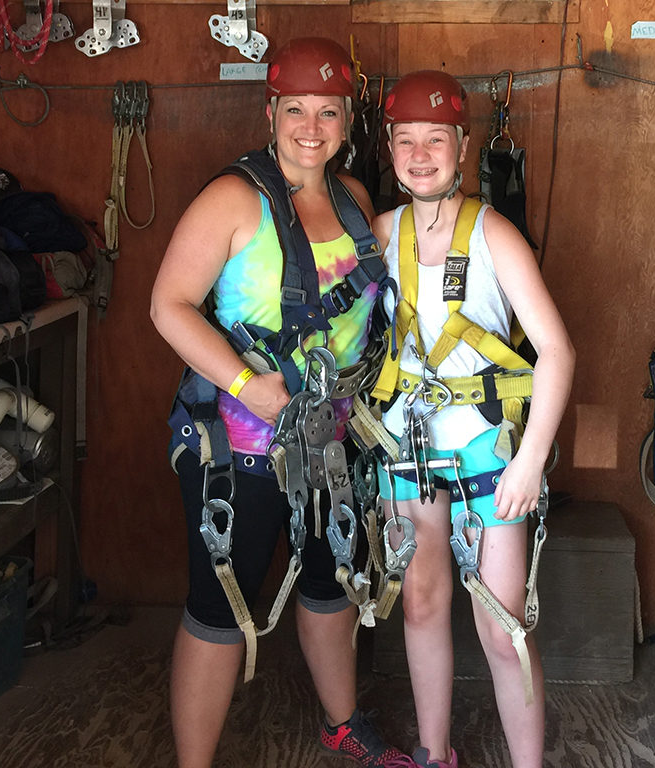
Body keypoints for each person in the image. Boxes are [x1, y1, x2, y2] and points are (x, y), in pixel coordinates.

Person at [150, 37, 415, 768]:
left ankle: (341, 722)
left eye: (328, 111)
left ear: (347, 120)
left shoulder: (354, 199)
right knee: (221, 605)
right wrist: (246, 386)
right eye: (295, 108)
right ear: (270, 113)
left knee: (333, 585)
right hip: (240, 448)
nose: (311, 126)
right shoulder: (234, 199)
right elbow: (168, 306)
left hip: (334, 444)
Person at [371, 71, 575, 768]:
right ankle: (435, 754)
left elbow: (556, 351)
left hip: (489, 454)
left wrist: (531, 460)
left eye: (436, 140)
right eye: (405, 140)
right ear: (388, 148)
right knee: (421, 606)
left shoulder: (494, 235)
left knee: (501, 627)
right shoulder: (378, 234)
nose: (420, 155)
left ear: (463, 147)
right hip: (407, 449)